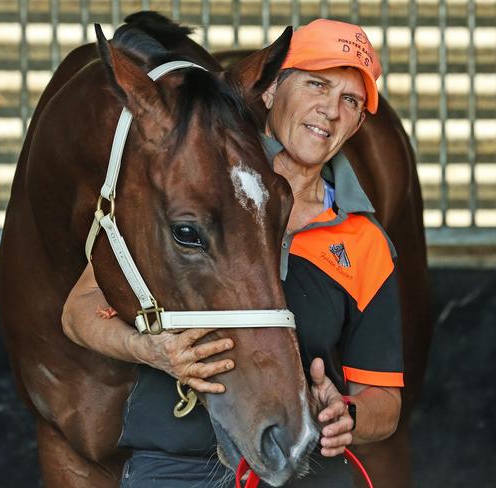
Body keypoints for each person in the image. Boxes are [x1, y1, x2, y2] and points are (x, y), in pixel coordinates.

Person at [62, 19, 403, 488]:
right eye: (317, 85)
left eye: (351, 101)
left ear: (359, 122)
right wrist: (148, 350)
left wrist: (350, 415)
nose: (330, 110)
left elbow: (383, 397)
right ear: (269, 93)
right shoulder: (197, 189)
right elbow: (78, 311)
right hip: (175, 466)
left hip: (305, 469)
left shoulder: (364, 241)